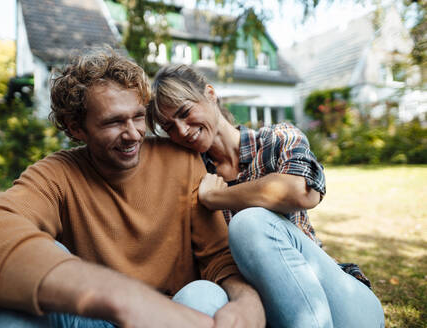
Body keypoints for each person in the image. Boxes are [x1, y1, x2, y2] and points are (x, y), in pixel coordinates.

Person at [0, 49, 265, 328]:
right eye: (113, 122)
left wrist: (247, 300)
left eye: (138, 117)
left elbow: (218, 257)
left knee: (204, 295)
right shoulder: (59, 173)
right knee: (14, 312)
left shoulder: (182, 161)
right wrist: (123, 299)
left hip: (177, 315)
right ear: (76, 127)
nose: (134, 134)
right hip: (100, 317)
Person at [147, 64, 385, 328]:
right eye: (169, 127)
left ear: (210, 94)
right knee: (195, 295)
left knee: (250, 223)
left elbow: (301, 192)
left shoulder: (276, 138)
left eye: (185, 112)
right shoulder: (192, 174)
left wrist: (216, 198)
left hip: (340, 305)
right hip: (262, 310)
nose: (181, 130)